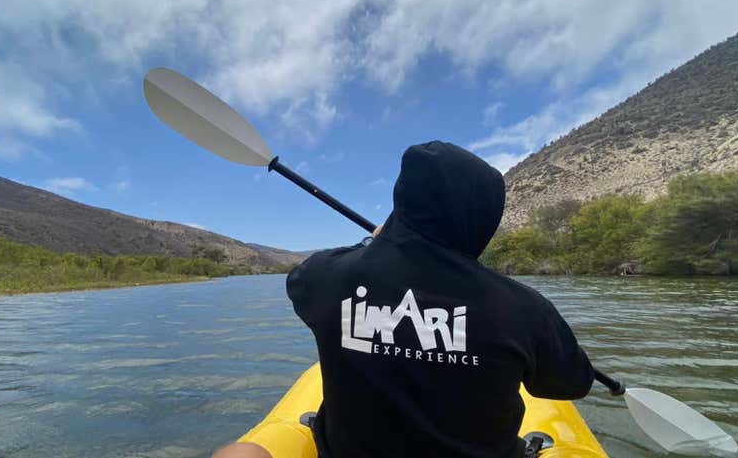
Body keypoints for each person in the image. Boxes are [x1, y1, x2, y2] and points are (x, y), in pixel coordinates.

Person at [214, 141, 593, 458]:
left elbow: (300, 279)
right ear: (484, 217)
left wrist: (376, 244)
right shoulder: (523, 308)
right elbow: (567, 386)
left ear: (403, 201)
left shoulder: (326, 277)